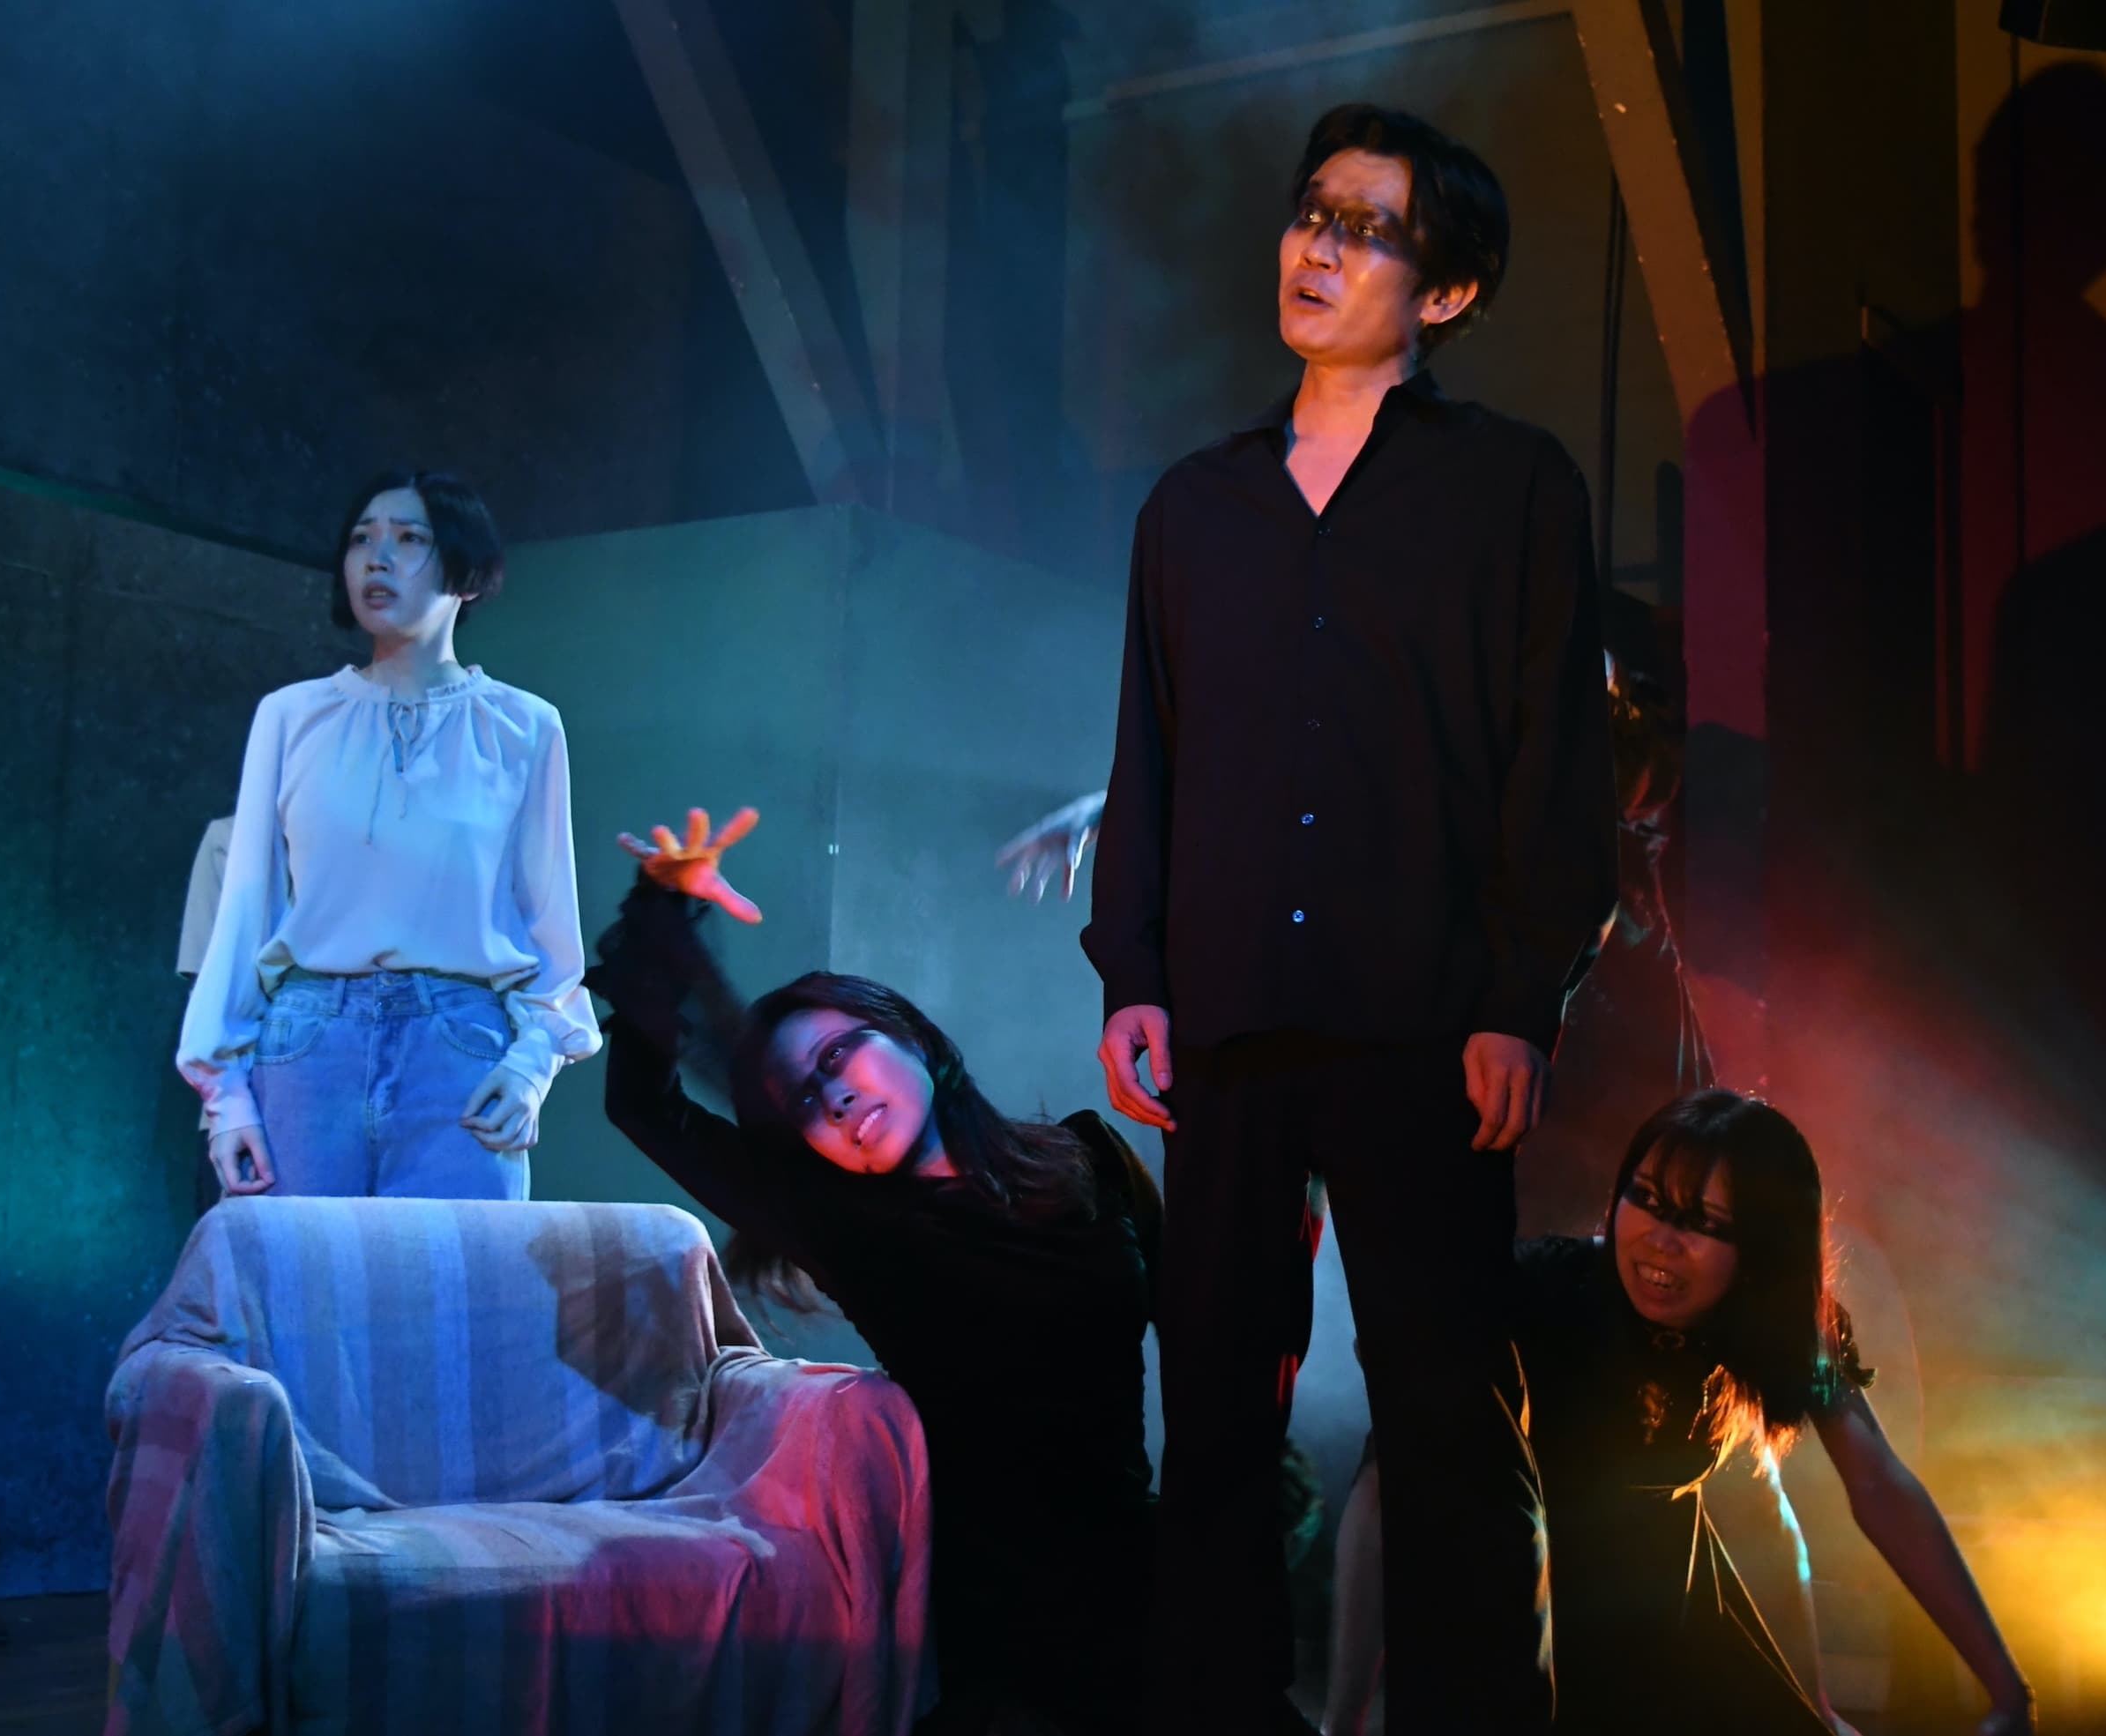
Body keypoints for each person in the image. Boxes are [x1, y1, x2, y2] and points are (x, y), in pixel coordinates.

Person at [1083, 104, 1612, 1734]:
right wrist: (1132, 970)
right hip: (1230, 1017)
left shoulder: (1511, 487)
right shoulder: (1194, 506)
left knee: (1447, 1415)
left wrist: (1520, 994)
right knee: (1213, 1414)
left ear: (1442, 292)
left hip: (1423, 1020)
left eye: (1368, 229)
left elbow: (1554, 765)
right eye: (1313, 212)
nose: (1318, 248)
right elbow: (1150, 753)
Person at [588, 807, 1159, 1736]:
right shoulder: (850, 1227)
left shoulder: (1089, 1156)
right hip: (1001, 1623)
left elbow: (1206, 1323)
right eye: (805, 1098)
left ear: (912, 1036)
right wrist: (662, 904)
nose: (835, 1095)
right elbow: (646, 1109)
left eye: (838, 1054)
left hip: (1148, 1574)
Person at [1325, 1090, 2035, 1735]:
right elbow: (1384, 1489)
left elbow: (1873, 1485)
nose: (1661, 1239)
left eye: (1703, 1223)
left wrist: (2003, 1688)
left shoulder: (1783, 1333)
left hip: (1669, 1607)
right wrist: (1342, 1719)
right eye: (1646, 1200)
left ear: (1761, 1250)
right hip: (1516, 1614)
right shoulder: (1534, 1293)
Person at [176, 470, 597, 1200]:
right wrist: (227, 1098)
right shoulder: (291, 715)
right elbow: (244, 913)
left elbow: (549, 927)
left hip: (460, 1050)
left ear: (464, 569)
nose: (377, 558)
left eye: (408, 539)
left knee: (459, 1274)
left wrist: (533, 1063)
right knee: (295, 1272)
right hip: (308, 1044)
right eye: (361, 539)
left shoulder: (524, 727)